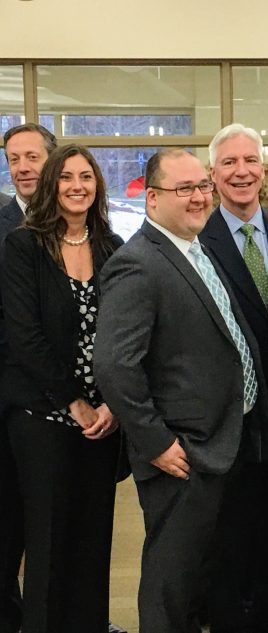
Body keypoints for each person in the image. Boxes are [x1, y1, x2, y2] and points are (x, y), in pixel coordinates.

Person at [95, 148, 268, 633]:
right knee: (171, 581)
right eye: (184, 189)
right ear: (152, 198)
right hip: (182, 451)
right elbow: (113, 364)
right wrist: (155, 443)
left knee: (202, 577)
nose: (198, 198)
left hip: (222, 440)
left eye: (202, 187)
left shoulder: (194, 249)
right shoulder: (138, 263)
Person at [0, 144, 122, 633]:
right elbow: (23, 334)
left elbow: (124, 332)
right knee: (48, 538)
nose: (77, 186)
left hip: (104, 417)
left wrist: (111, 402)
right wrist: (73, 402)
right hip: (41, 415)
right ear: (52, 184)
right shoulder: (23, 244)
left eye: (86, 177)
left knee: (93, 537)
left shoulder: (113, 246)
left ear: (97, 186)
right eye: (67, 176)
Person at [201, 123, 268, 633]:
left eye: (250, 161)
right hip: (228, 413)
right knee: (230, 527)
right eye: (229, 163)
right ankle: (229, 616)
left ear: (262, 169)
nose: (241, 171)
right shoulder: (197, 238)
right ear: (213, 174)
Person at [0, 122, 56, 633]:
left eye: (32, 156)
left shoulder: (84, 226)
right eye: (14, 158)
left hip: (70, 410)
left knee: (57, 527)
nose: (22, 167)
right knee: (9, 526)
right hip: (11, 402)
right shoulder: (2, 229)